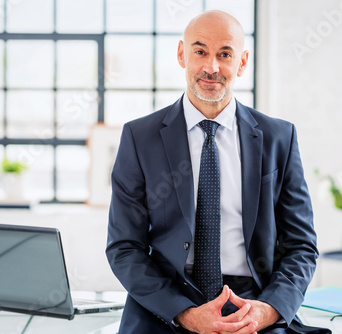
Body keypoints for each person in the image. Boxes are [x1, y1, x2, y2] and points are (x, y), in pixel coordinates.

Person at [106, 10, 323, 334]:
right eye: (200, 51)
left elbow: (301, 245)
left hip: (252, 301)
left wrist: (268, 310)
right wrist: (184, 313)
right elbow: (124, 247)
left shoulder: (279, 137)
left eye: (225, 54)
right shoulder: (140, 138)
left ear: (242, 61)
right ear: (182, 54)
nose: (212, 67)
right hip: (167, 301)